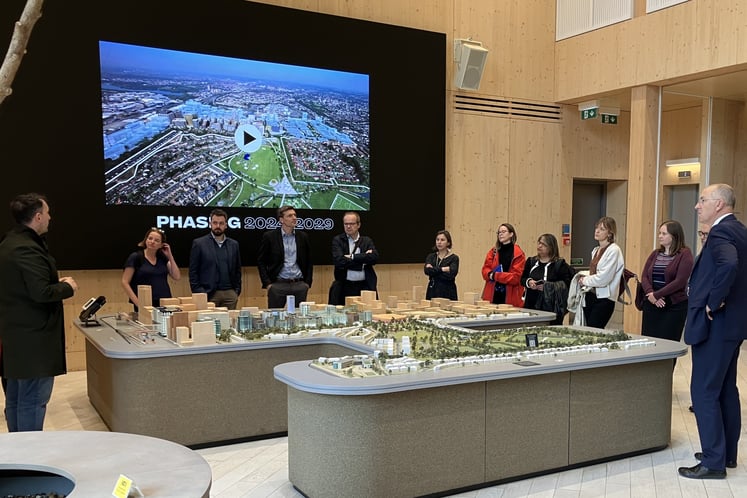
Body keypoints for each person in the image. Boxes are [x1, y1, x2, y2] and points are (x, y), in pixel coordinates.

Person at [678, 184, 747, 480]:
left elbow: (729, 265)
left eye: (702, 200)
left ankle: (713, 462)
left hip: (717, 325)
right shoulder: (740, 229)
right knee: (725, 389)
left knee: (704, 392)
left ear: (719, 204)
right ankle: (726, 453)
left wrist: (714, 299)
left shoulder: (721, 232)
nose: (697, 206)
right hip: (734, 326)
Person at [0, 193, 78, 432]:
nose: (50, 218)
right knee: (32, 402)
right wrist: (68, 287)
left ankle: (17, 454)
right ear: (37, 216)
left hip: (15, 339)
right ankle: (30, 458)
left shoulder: (8, 243)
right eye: (47, 213)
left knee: (15, 399)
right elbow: (40, 292)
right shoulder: (27, 249)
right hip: (32, 340)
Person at [639, 220, 693, 346]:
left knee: (668, 344)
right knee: (650, 343)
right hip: (652, 303)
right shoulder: (655, 253)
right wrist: (650, 293)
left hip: (673, 306)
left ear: (674, 236)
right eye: (659, 233)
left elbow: (680, 281)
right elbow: (645, 276)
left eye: (664, 233)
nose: (660, 236)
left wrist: (657, 295)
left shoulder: (685, 254)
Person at [258, 205, 313, 308]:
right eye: (290, 216)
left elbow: (309, 261)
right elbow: (261, 261)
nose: (294, 218)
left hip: (299, 284)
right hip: (278, 285)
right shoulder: (270, 237)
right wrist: (268, 284)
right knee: (274, 318)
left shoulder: (303, 237)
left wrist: (307, 283)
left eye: (295, 215)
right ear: (281, 220)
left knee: (298, 318)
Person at [189, 208, 242, 309]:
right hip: (209, 294)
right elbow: (193, 271)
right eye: (215, 223)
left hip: (230, 294)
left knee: (229, 324)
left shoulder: (234, 244)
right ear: (210, 224)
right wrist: (200, 293)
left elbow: (237, 270)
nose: (218, 226)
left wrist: (236, 291)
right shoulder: (199, 243)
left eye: (221, 223)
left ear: (226, 225)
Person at [577, 216, 624, 328]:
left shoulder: (614, 250)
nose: (597, 231)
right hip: (590, 294)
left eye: (602, 229)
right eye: (596, 228)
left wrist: (585, 280)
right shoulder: (596, 250)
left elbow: (604, 278)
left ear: (609, 233)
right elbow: (594, 273)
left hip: (604, 298)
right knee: (588, 329)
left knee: (595, 328)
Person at [121, 227, 181, 311]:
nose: (152, 242)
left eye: (156, 240)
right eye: (150, 238)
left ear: (161, 245)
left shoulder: (162, 258)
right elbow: (124, 282)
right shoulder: (136, 257)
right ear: (146, 240)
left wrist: (169, 256)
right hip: (145, 303)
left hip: (165, 301)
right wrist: (138, 303)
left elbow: (177, 276)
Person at [521, 233, 574, 325]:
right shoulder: (531, 262)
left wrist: (546, 286)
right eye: (539, 243)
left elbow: (565, 285)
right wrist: (529, 282)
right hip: (531, 304)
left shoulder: (559, 265)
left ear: (551, 247)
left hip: (551, 307)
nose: (540, 246)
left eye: (544, 244)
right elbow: (522, 279)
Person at [329, 211, 378, 305]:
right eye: (346, 224)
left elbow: (374, 258)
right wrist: (362, 263)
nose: (348, 226)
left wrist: (353, 257)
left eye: (351, 224)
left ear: (358, 225)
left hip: (365, 287)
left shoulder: (366, 241)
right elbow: (339, 261)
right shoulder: (338, 240)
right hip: (344, 287)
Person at [481, 223, 526, 307]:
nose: (500, 234)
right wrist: (491, 274)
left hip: (510, 298)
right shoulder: (493, 251)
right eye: (499, 232)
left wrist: (495, 276)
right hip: (492, 296)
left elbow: (515, 278)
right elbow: (485, 271)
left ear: (511, 234)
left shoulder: (518, 254)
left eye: (503, 231)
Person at [424, 230, 459, 300]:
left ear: (448, 243)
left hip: (448, 291)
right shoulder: (431, 257)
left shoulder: (454, 258)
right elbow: (427, 271)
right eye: (437, 240)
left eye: (442, 240)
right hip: (433, 290)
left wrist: (434, 271)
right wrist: (443, 269)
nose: (439, 242)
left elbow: (451, 275)